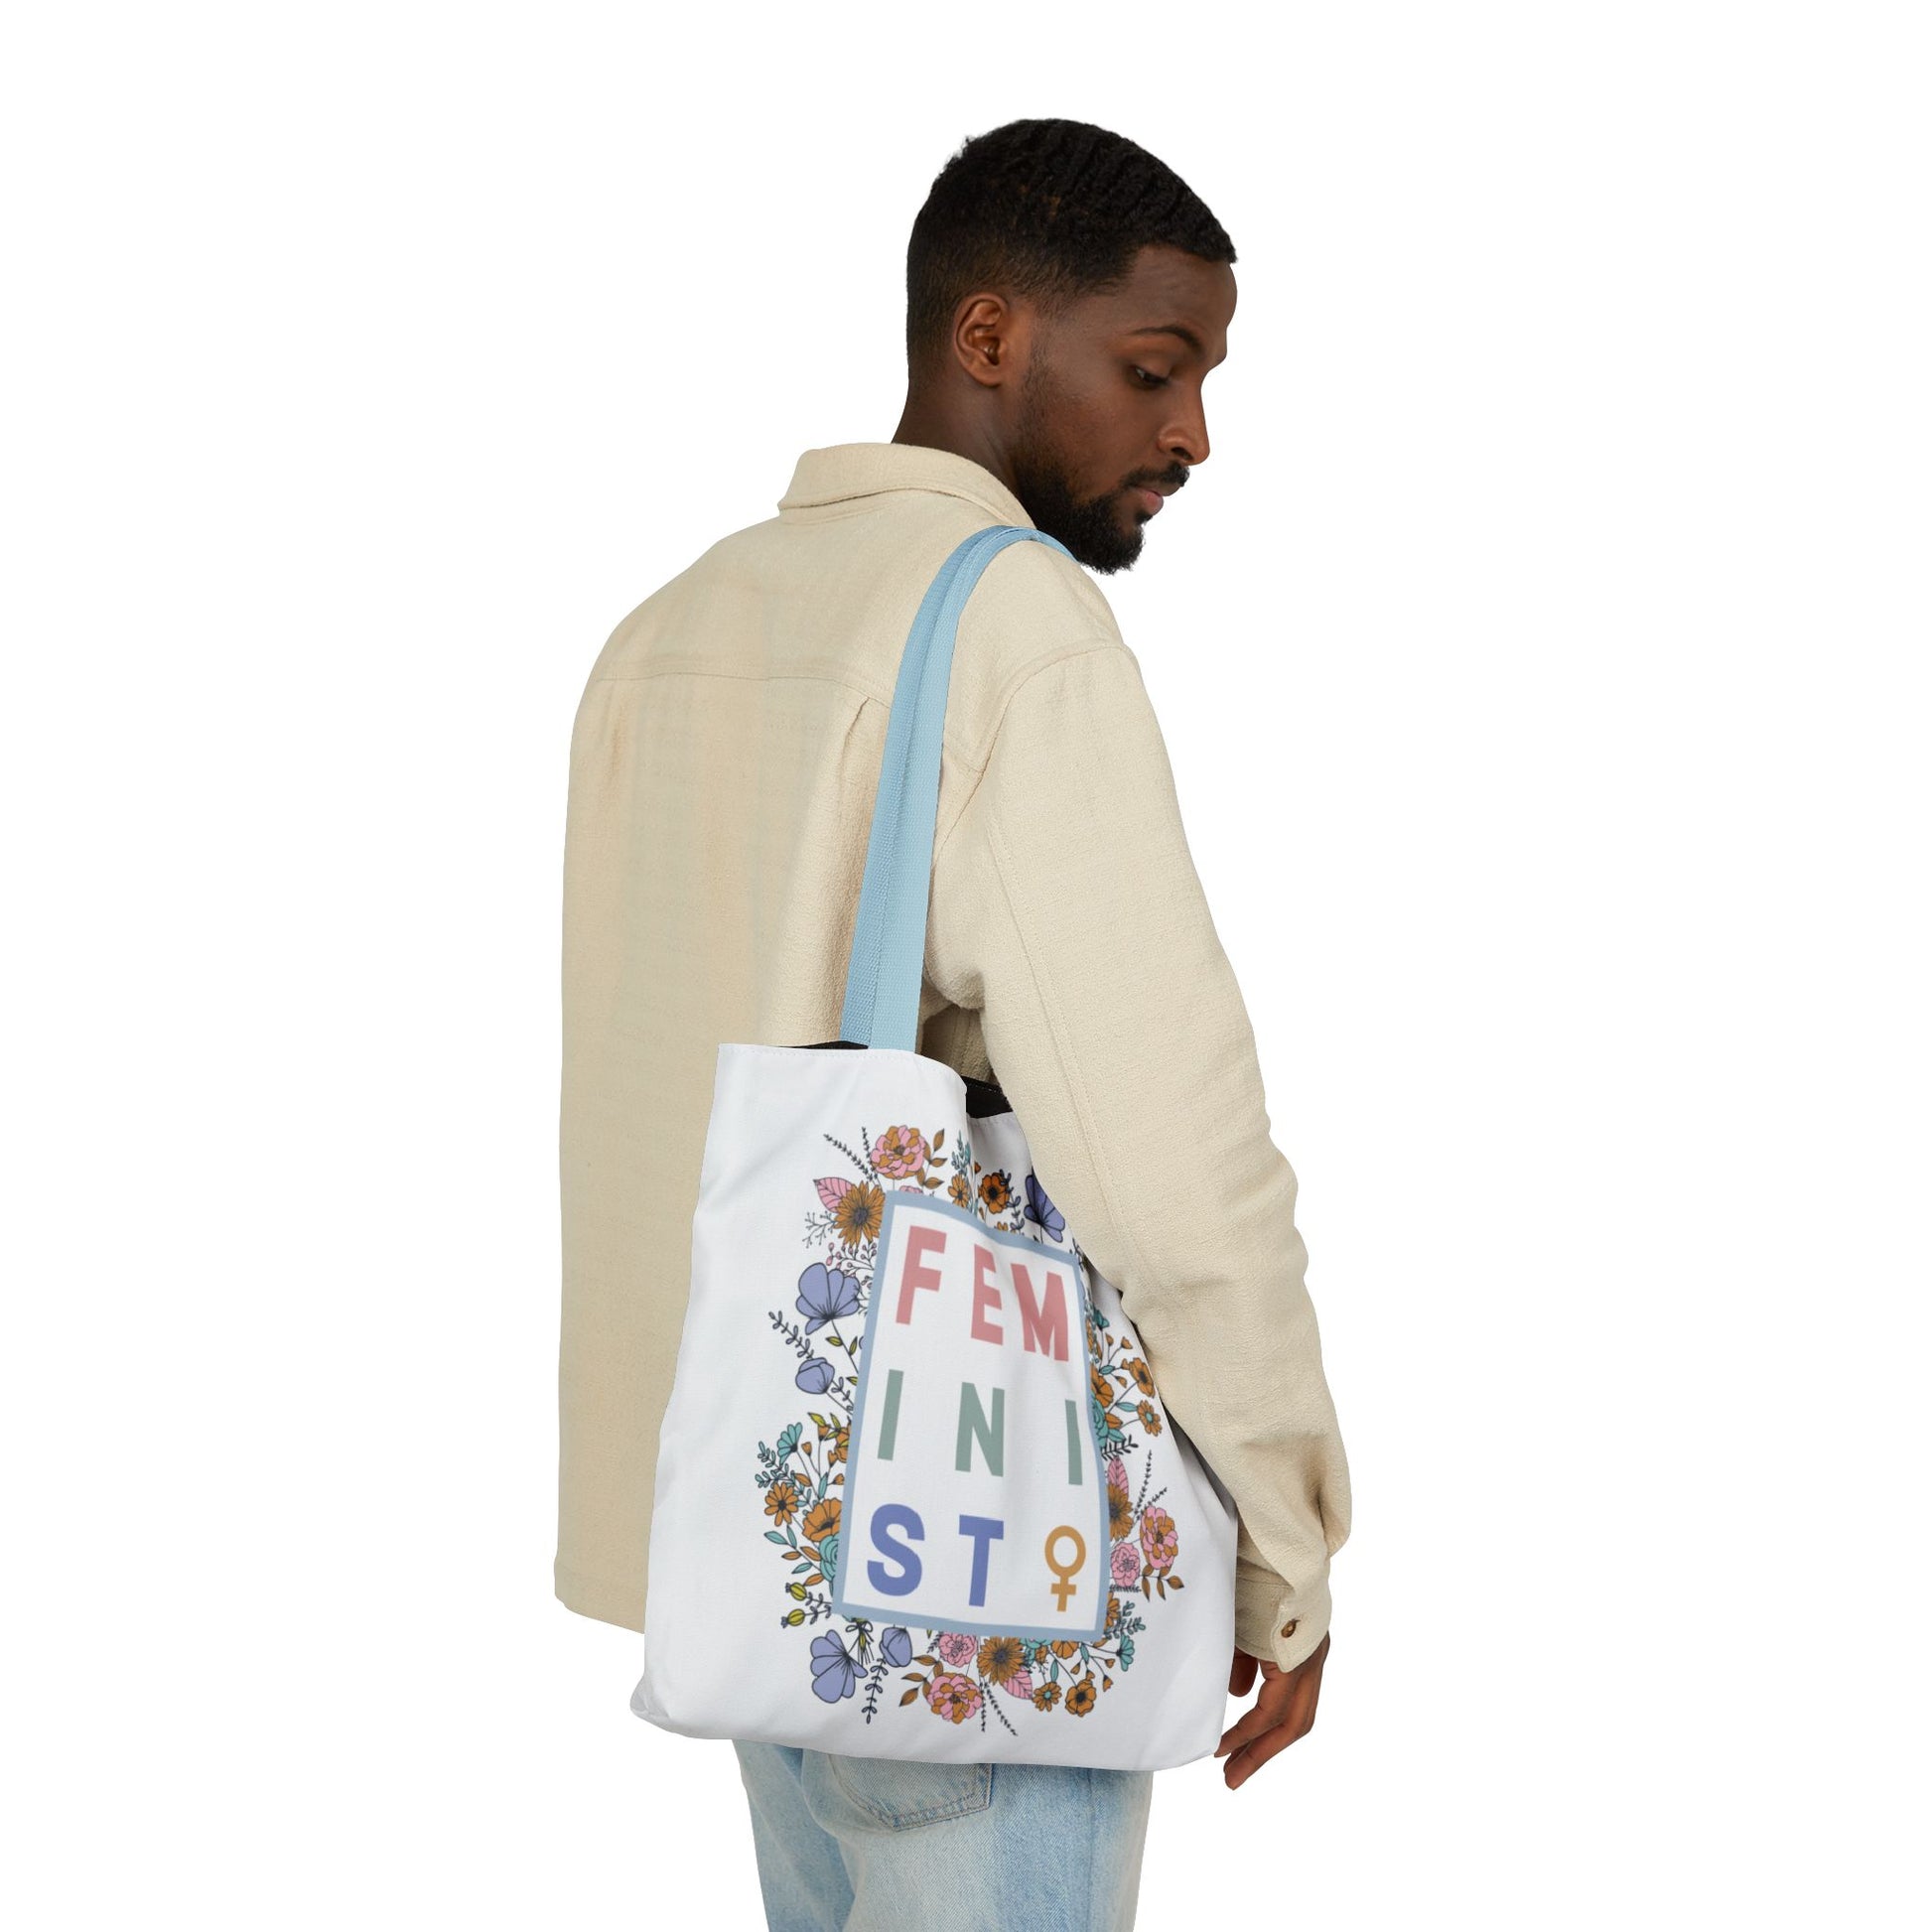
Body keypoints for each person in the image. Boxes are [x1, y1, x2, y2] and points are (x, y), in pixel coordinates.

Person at [558, 116, 1351, 1930]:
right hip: (973, 1547)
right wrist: (1285, 1535)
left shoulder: (670, 626)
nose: (1192, 432)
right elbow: (1169, 1150)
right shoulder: (1010, 630)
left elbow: (630, 1088)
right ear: (986, 336)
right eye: (1153, 368)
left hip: (755, 1531)